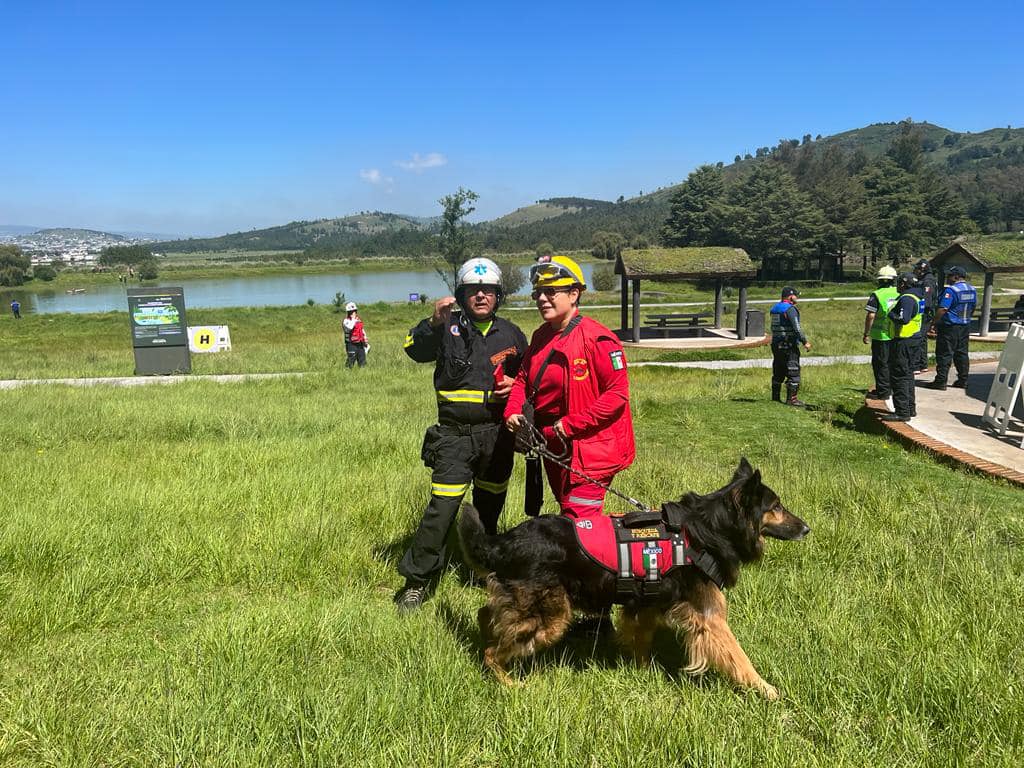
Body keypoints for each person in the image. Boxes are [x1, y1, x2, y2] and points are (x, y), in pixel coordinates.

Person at [395, 257, 527, 613]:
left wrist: (516, 387)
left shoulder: (512, 334)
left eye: (488, 291)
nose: (481, 296)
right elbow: (413, 349)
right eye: (473, 291)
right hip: (453, 438)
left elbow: (529, 380)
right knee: (442, 509)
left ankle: (482, 569)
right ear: (461, 295)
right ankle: (417, 581)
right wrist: (433, 323)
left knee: (489, 508)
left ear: (498, 295)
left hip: (496, 437)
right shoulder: (446, 327)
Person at [504, 255, 635, 519]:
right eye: (538, 293)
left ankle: (595, 560)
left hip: (590, 449)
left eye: (551, 292)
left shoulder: (597, 339)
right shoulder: (541, 335)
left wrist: (569, 426)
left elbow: (617, 395)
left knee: (580, 520)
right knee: (568, 513)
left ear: (574, 294)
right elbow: (522, 380)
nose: (542, 299)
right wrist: (512, 411)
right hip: (553, 445)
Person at [926, 266, 977, 391]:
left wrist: (934, 323)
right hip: (965, 325)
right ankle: (963, 380)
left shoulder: (952, 291)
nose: (947, 278)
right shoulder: (972, 290)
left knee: (944, 353)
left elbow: (943, 309)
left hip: (950, 327)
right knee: (962, 353)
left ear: (956, 277)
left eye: (949, 276)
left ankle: (941, 381)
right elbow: (973, 307)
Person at [883, 273, 922, 422]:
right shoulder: (917, 297)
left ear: (904, 284)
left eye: (899, 283)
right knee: (907, 375)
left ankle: (902, 412)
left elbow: (903, 319)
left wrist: (890, 314)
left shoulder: (906, 298)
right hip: (914, 340)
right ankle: (910, 408)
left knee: (899, 376)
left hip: (903, 341)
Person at [862, 265, 898, 412]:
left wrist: (866, 333)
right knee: (893, 362)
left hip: (880, 335)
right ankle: (892, 387)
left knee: (880, 363)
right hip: (896, 334)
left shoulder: (876, 295)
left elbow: (871, 315)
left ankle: (883, 391)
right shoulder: (899, 293)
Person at [769, 286, 812, 407]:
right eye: (796, 295)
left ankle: (775, 397)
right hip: (788, 344)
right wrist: (805, 342)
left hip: (776, 344)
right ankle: (792, 400)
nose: (797, 298)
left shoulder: (774, 308)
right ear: (791, 296)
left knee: (778, 369)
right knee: (793, 370)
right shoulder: (790, 309)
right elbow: (796, 328)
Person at [912, 258, 938, 373]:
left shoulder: (927, 281)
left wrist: (918, 311)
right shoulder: (927, 279)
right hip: (926, 313)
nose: (915, 271)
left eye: (917, 269)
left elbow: (927, 301)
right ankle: (923, 364)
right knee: (922, 339)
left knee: (919, 338)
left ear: (922, 269)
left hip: (924, 314)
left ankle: (917, 365)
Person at [342, 301, 368, 368]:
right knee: (351, 359)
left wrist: (365, 339)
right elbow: (349, 328)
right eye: (351, 311)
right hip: (351, 344)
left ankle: (363, 373)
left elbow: (361, 330)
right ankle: (347, 372)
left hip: (360, 343)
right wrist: (354, 319)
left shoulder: (358, 320)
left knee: (362, 359)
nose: (353, 313)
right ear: (348, 312)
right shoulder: (346, 321)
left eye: (354, 311)